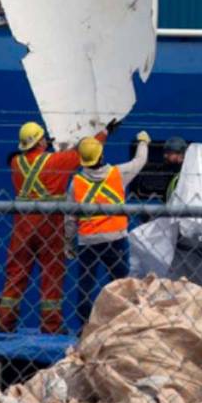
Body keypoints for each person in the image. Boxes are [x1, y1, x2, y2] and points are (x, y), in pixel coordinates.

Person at [0, 120, 114, 334]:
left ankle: (5, 322)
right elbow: (82, 153)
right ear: (41, 141)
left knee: (16, 271)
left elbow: (37, 164)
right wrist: (104, 132)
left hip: (22, 224)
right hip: (49, 223)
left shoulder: (16, 163)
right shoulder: (56, 161)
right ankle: (51, 325)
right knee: (51, 272)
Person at [66, 131, 150, 325]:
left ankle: (85, 326)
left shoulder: (76, 183)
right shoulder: (117, 174)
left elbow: (69, 218)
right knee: (121, 283)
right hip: (115, 239)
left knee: (86, 285)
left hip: (88, 241)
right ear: (101, 154)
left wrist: (69, 244)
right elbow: (139, 161)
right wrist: (143, 142)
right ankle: (124, 322)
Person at [162, 136, 188, 202]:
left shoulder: (185, 177)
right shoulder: (175, 174)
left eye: (169, 153)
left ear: (181, 155)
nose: (165, 156)